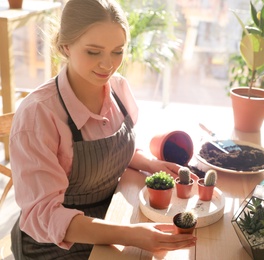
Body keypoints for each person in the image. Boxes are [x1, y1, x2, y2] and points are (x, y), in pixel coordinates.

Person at [9, 0, 196, 258]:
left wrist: (151, 164)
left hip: (112, 216)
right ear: (66, 46)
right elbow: (43, 215)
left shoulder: (118, 88)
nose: (107, 65)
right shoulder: (38, 115)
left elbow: (113, 149)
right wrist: (131, 234)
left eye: (117, 51)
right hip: (55, 243)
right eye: (93, 52)